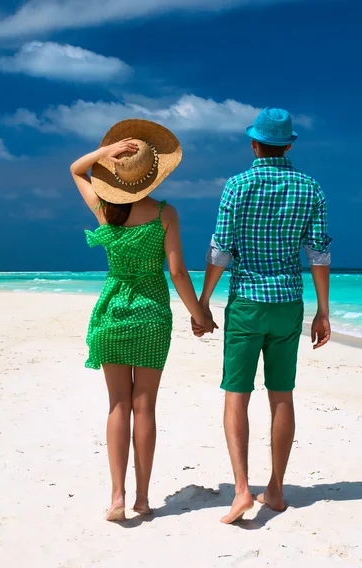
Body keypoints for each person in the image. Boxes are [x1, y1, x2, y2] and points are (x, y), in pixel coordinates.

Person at [70, 119, 215, 521]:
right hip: (152, 312)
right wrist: (199, 315)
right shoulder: (165, 213)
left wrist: (104, 154)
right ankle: (143, 500)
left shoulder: (104, 209)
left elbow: (75, 170)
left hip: (113, 309)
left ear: (116, 174)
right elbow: (179, 273)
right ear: (152, 175)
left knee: (117, 405)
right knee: (144, 407)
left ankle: (116, 497)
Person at [194, 108, 332, 524]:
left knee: (237, 394)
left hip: (248, 303)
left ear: (254, 144)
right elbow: (319, 253)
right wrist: (324, 311)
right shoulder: (311, 188)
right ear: (289, 144)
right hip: (288, 302)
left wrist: (203, 301)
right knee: (282, 395)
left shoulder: (238, 185)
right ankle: (274, 488)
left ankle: (240, 490)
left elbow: (221, 249)